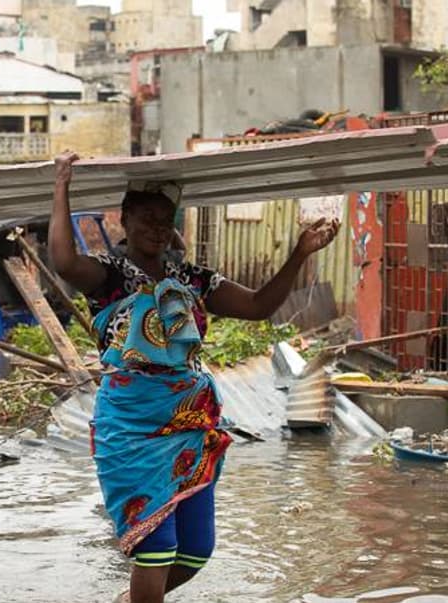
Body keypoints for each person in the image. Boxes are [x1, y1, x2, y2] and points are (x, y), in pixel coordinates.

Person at [47, 152, 339, 603]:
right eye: (146, 218)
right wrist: (61, 184)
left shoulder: (191, 278)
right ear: (124, 218)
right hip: (131, 425)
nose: (157, 228)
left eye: (165, 220)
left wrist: (300, 253)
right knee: (157, 549)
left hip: (189, 423)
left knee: (197, 550)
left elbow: (259, 306)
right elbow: (64, 261)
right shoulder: (108, 275)